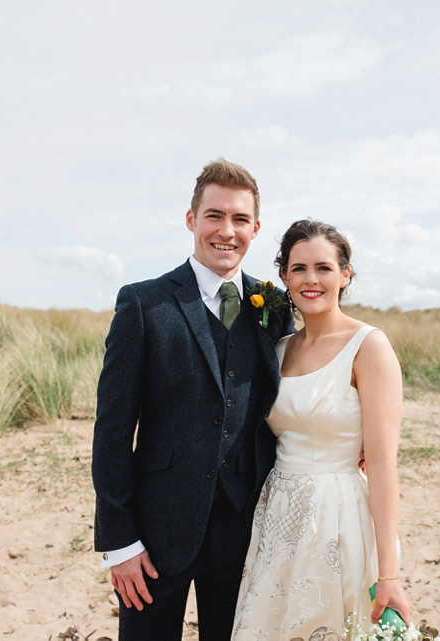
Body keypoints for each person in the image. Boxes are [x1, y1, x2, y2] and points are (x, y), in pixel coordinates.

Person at [91, 158, 294, 641]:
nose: (227, 231)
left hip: (245, 526)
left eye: (240, 220)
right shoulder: (143, 303)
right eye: (214, 216)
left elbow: (286, 403)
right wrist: (119, 541)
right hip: (157, 528)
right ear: (191, 220)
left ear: (255, 228)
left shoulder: (275, 307)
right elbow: (113, 429)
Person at [231, 219, 413, 640]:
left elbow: (384, 464)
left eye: (324, 268)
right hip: (278, 514)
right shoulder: (278, 349)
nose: (310, 280)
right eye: (298, 268)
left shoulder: (369, 346)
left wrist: (389, 574)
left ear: (345, 274)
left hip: (340, 514)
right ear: (283, 276)